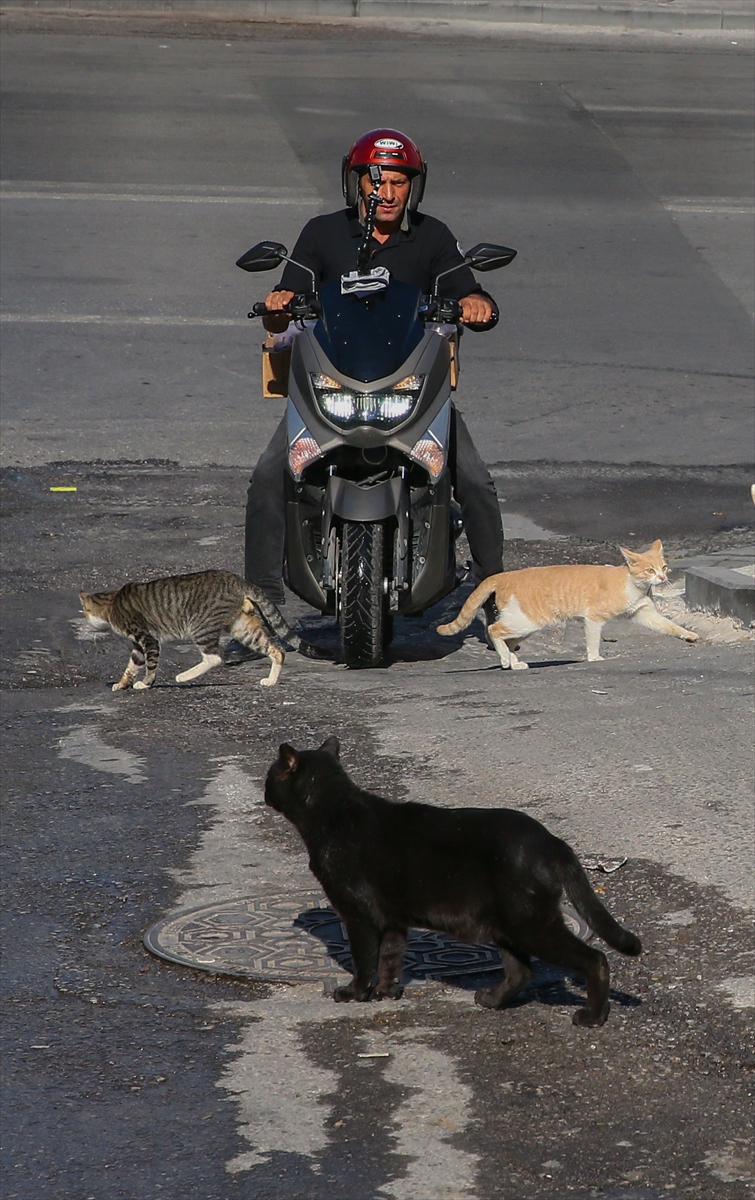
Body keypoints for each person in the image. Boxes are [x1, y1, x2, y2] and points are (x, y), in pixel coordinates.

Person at [226, 128, 504, 664]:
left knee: (473, 478)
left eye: (400, 182)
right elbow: (288, 296)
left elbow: (468, 290)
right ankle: (257, 610)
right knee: (267, 476)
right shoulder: (323, 234)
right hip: (334, 384)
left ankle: (498, 602)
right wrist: (279, 301)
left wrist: (476, 302)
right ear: (355, 185)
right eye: (378, 181)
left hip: (409, 385)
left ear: (413, 189)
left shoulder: (431, 238)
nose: (389, 192)